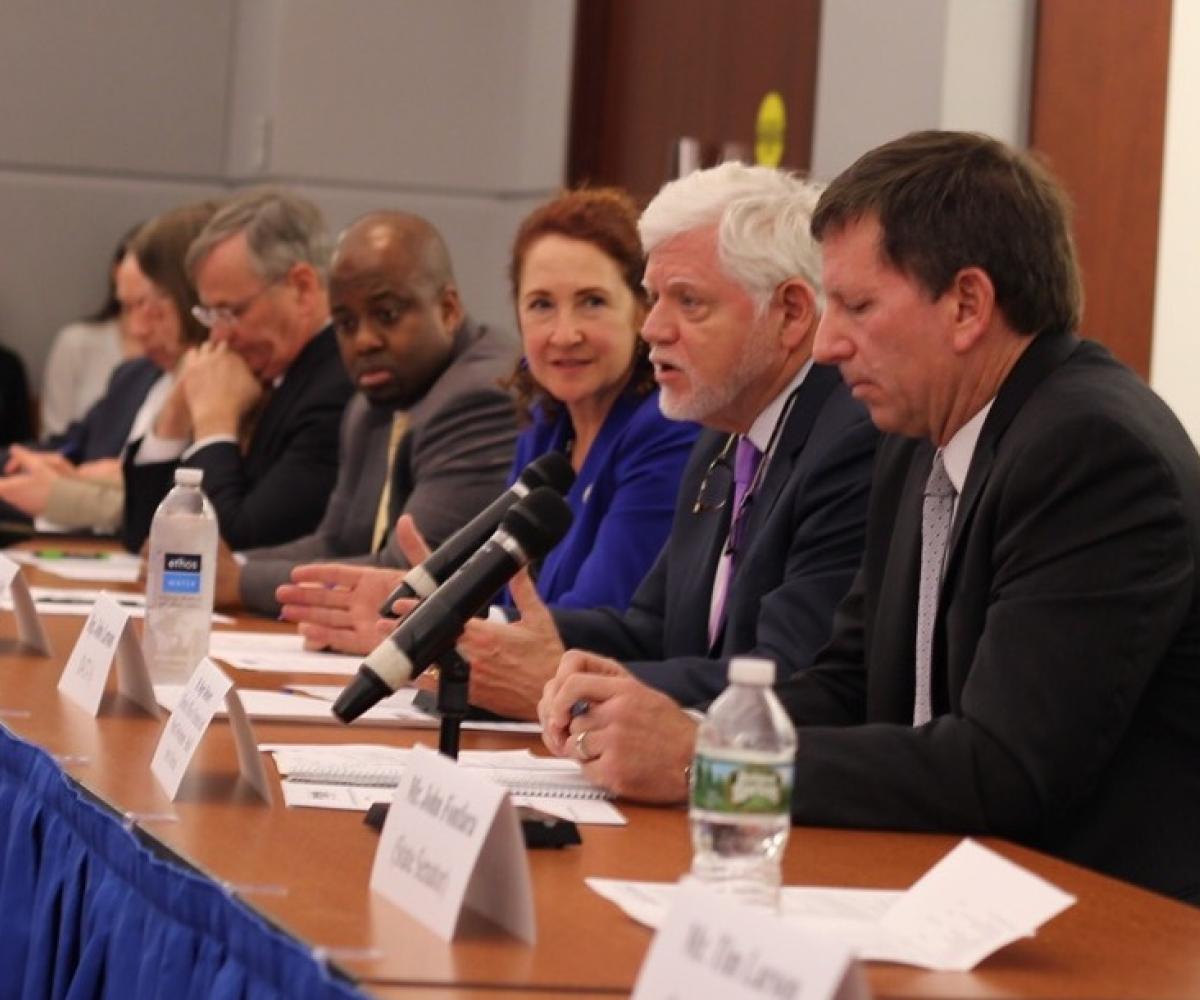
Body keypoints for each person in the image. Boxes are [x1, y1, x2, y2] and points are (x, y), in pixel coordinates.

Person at [540, 131, 1200, 906]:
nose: (826, 345)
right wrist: (669, 720)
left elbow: (1005, 770)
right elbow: (847, 686)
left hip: (1101, 928)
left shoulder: (1092, 453)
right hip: (939, 886)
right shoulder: (921, 435)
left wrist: (708, 765)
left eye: (855, 306)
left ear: (966, 305)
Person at [370, 162, 877, 720]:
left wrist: (552, 681)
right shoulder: (721, 435)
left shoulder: (848, 442)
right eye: (653, 297)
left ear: (790, 313)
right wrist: (476, 634)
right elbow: (650, 631)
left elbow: (791, 677)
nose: (653, 328)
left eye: (688, 301)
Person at [277, 189, 700, 648]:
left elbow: (596, 619)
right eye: (541, 305)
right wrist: (420, 606)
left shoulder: (665, 429)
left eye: (592, 302)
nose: (564, 333)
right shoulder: (546, 428)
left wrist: (434, 625)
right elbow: (496, 589)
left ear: (641, 310)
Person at [226, 210, 520, 616]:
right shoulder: (371, 403)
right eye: (345, 323)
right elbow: (334, 542)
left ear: (449, 310)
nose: (363, 341)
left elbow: (409, 574)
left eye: (387, 315)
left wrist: (238, 583)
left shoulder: (481, 396)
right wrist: (230, 564)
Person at [121, 188, 353, 553]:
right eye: (210, 315)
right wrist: (175, 417)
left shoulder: (338, 388)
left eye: (232, 312)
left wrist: (214, 423)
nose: (219, 336)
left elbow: (230, 550)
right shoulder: (271, 375)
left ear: (302, 288)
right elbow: (144, 537)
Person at [0, 202, 218, 532]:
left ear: (193, 299)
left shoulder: (230, 390)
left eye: (148, 307)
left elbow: (193, 508)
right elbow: (65, 448)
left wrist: (68, 494)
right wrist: (43, 469)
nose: (137, 328)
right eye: (127, 308)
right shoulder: (134, 377)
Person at [39, 224, 144, 437]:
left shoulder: (181, 359)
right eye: (134, 304)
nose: (138, 328)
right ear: (118, 273)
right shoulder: (77, 341)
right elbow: (59, 437)